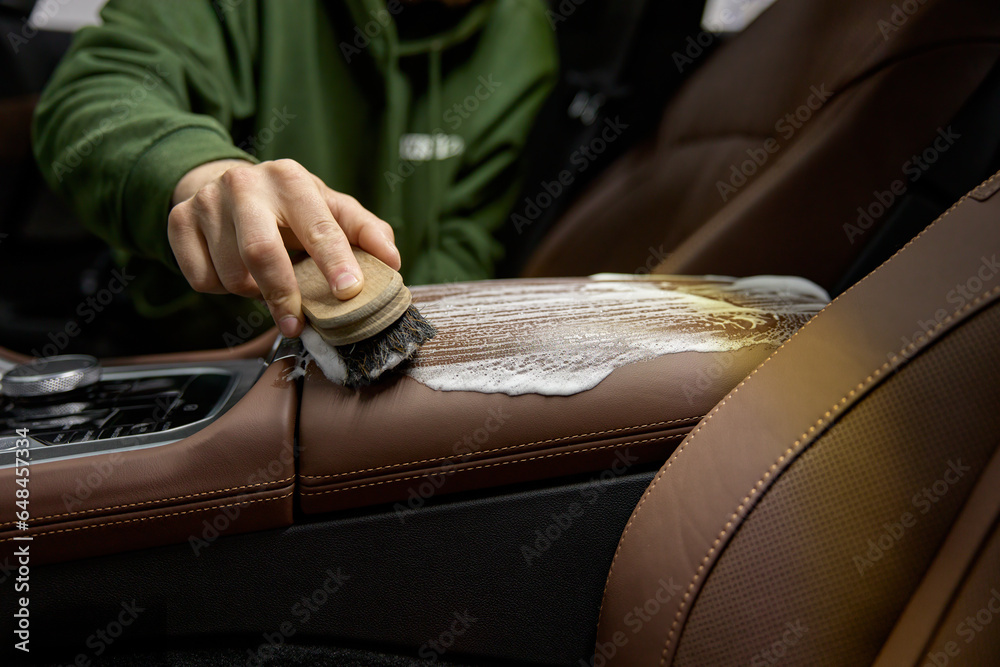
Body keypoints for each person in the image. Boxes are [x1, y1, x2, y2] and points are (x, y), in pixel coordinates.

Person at [33, 0, 557, 345]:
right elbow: (93, 97)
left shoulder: (524, 36)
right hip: (198, 357)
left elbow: (468, 241)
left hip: (378, 371)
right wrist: (200, 171)